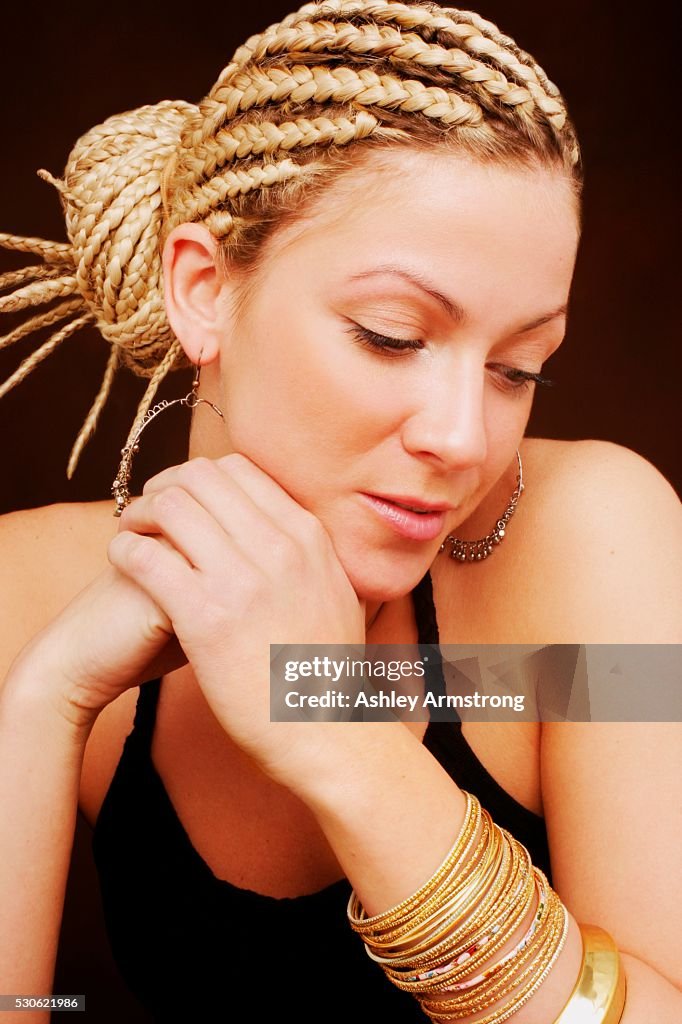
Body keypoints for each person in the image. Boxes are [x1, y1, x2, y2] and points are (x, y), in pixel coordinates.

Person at [0, 1, 680, 1021]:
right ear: (203, 288)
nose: (461, 438)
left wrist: (333, 727)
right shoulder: (30, 595)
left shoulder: (588, 545)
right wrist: (45, 700)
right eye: (390, 334)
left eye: (515, 366)